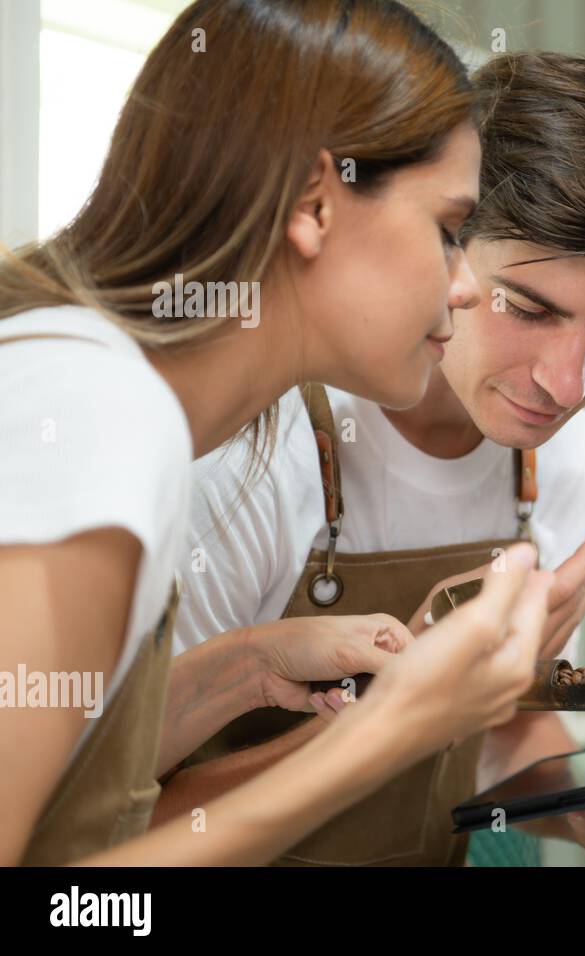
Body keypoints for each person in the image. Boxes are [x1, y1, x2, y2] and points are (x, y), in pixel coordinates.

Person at [0, 0, 551, 866]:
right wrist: (388, 733)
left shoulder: (106, 394)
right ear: (314, 205)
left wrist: (242, 668)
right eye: (447, 232)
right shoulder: (94, 412)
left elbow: (63, 769)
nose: (467, 289)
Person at [161, 52, 585, 863]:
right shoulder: (252, 453)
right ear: (442, 250)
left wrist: (573, 800)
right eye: (528, 308)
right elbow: (125, 823)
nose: (567, 384)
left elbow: (506, 724)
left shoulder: (568, 461)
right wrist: (396, 715)